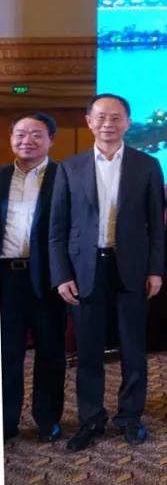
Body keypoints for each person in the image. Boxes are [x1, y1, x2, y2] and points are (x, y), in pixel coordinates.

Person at [50, 93, 165, 451]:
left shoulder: (147, 165)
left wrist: (156, 270)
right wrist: (61, 274)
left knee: (133, 348)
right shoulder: (69, 167)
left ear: (128, 123)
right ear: (89, 122)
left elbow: (157, 226)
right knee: (88, 350)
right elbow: (57, 228)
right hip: (85, 269)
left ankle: (130, 417)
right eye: (100, 117)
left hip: (131, 267)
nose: (108, 124)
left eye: (116, 117)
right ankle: (91, 419)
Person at [1, 113, 66, 444]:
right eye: (20, 134)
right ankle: (6, 420)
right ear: (11, 138)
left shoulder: (65, 177)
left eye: (36, 134)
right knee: (6, 353)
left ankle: (47, 418)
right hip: (5, 279)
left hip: (48, 277)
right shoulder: (0, 177)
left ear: (51, 140)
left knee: (50, 350)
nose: (27, 140)